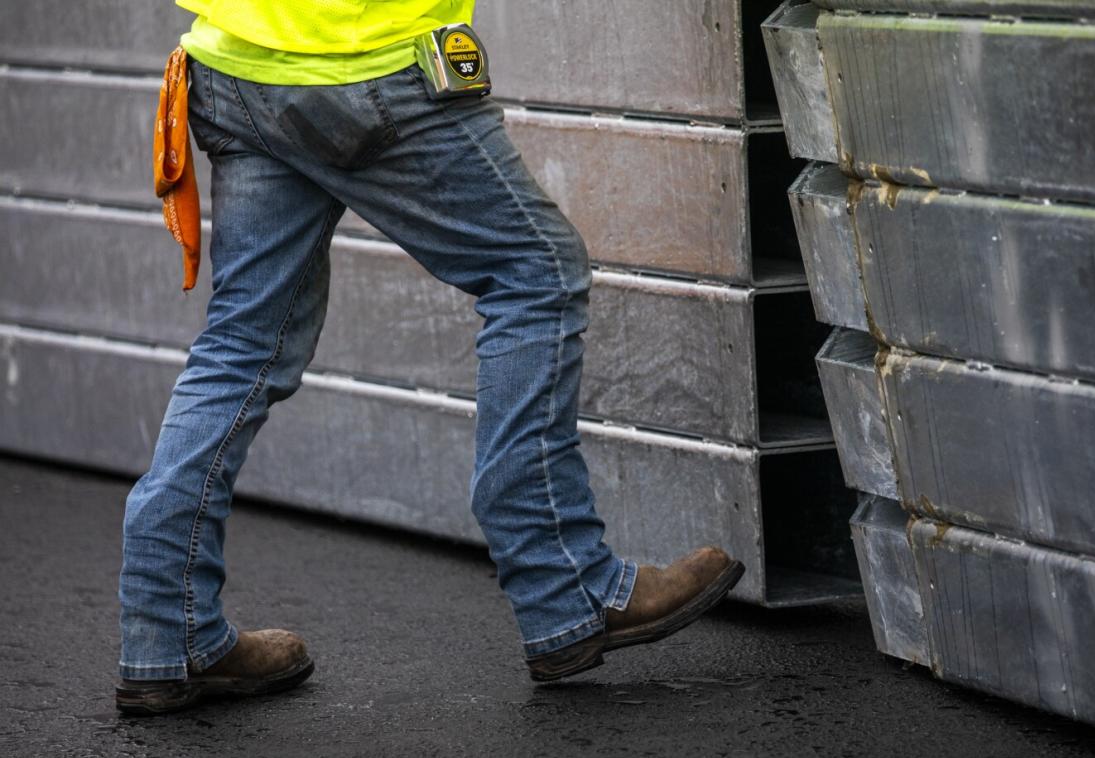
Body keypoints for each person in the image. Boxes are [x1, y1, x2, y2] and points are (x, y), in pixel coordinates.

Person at [116, 0, 744, 715]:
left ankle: (165, 632)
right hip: (369, 60)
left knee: (239, 345)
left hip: (234, 64)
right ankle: (563, 584)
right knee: (534, 272)